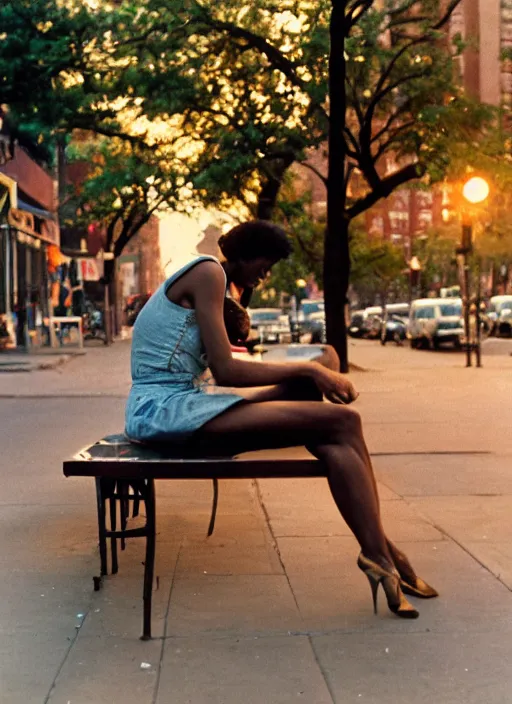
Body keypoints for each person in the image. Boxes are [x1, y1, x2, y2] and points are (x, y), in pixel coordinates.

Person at [126, 220, 438, 619]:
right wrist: (308, 372)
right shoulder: (208, 272)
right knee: (340, 421)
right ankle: (383, 551)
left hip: (183, 406)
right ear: (242, 254)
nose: (266, 273)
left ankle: (382, 552)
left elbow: (230, 364)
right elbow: (225, 370)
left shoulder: (219, 282)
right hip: (163, 412)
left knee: (335, 418)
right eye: (264, 262)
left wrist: (314, 367)